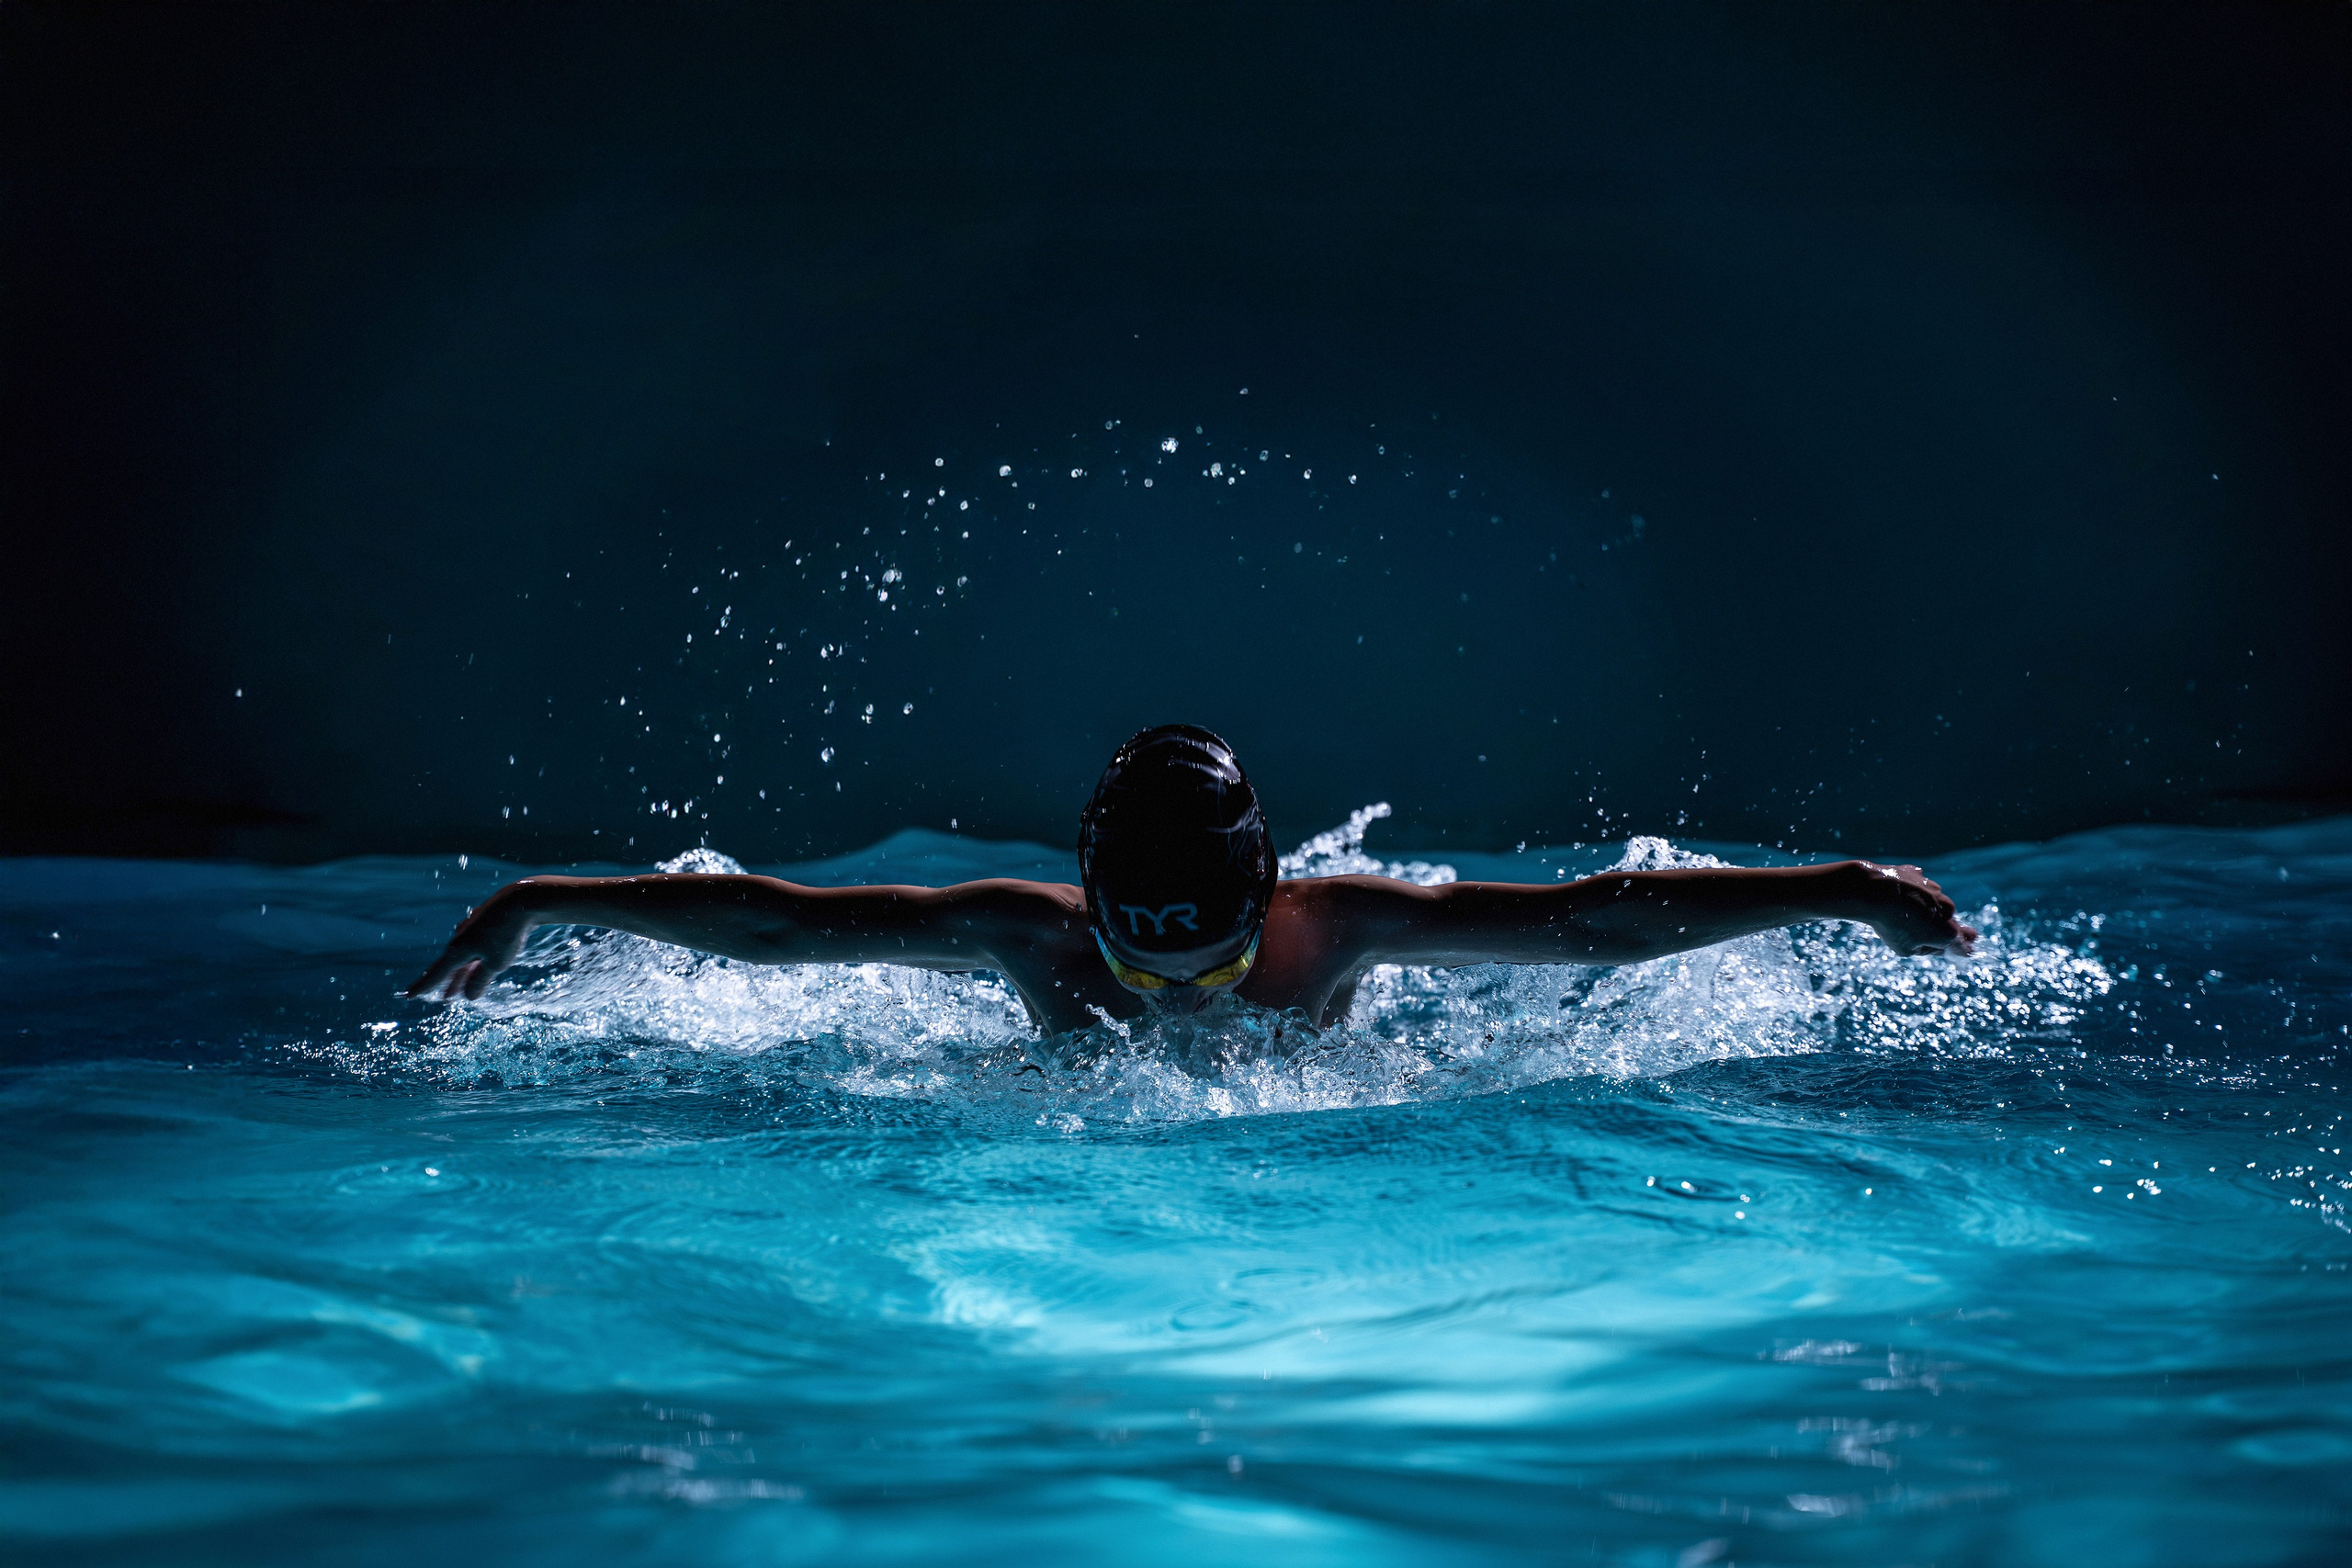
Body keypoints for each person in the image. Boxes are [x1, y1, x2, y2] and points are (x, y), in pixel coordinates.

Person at [407, 724, 1974, 1035]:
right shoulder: (1031, 942)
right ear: (1094, 896)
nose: (1168, 987)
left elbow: (1592, 927)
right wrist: (542, 896)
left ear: (1262, 895)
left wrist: (1828, 887)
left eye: (1204, 952)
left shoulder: (1339, 926)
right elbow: (772, 925)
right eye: (1145, 949)